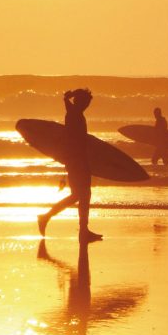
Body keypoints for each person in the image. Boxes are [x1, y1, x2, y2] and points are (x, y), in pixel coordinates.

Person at [38, 89, 102, 242]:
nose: (87, 105)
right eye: (86, 102)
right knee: (82, 195)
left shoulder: (74, 112)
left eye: (88, 102)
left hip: (77, 161)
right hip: (77, 161)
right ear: (80, 101)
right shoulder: (75, 115)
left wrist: (68, 97)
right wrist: (79, 160)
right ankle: (80, 230)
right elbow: (75, 141)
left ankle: (81, 230)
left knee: (78, 195)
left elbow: (66, 101)